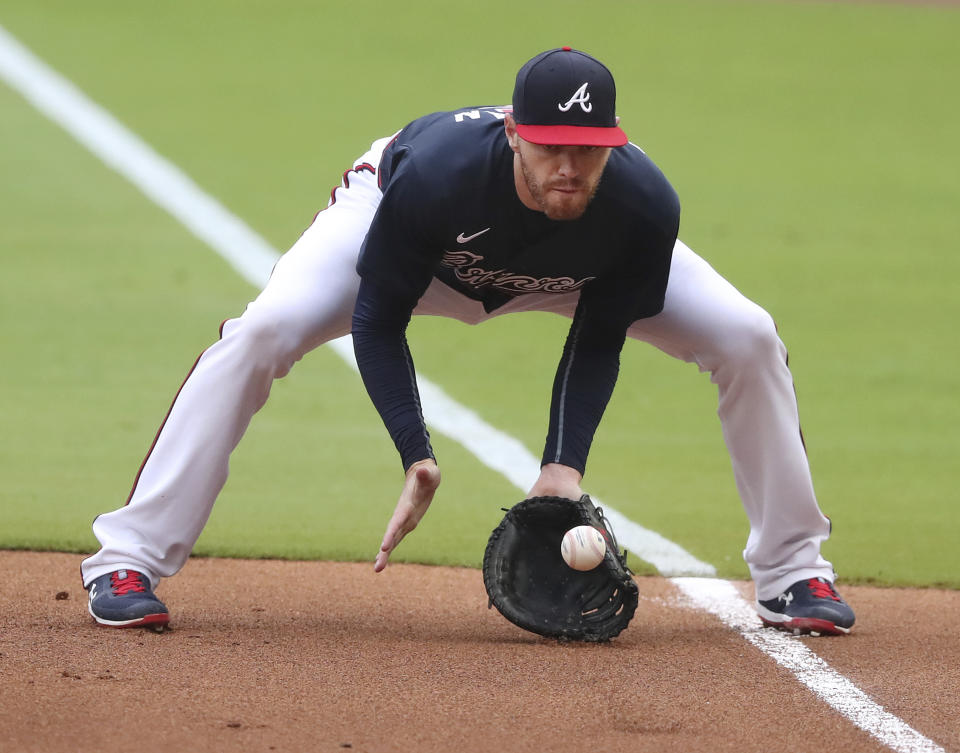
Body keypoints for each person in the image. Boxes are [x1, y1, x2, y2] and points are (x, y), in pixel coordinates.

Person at [82, 47, 855, 636]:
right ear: (514, 132)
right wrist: (415, 450)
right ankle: (128, 558)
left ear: (612, 146)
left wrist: (562, 468)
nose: (568, 164)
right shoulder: (440, 177)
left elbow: (599, 338)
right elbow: (377, 319)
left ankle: (793, 572)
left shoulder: (642, 208)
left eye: (587, 148)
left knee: (749, 335)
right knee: (264, 332)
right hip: (412, 243)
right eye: (550, 143)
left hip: (568, 273)